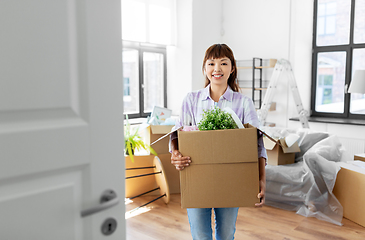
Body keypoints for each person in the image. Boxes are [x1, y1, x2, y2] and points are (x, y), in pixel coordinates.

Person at [170, 43, 267, 240]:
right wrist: (175, 154)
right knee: (200, 235)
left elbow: (256, 143)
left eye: (223, 63)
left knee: (226, 234)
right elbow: (177, 134)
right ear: (205, 68)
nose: (217, 69)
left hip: (231, 178)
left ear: (232, 69)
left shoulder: (243, 103)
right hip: (196, 177)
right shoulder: (191, 99)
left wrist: (261, 179)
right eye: (211, 63)